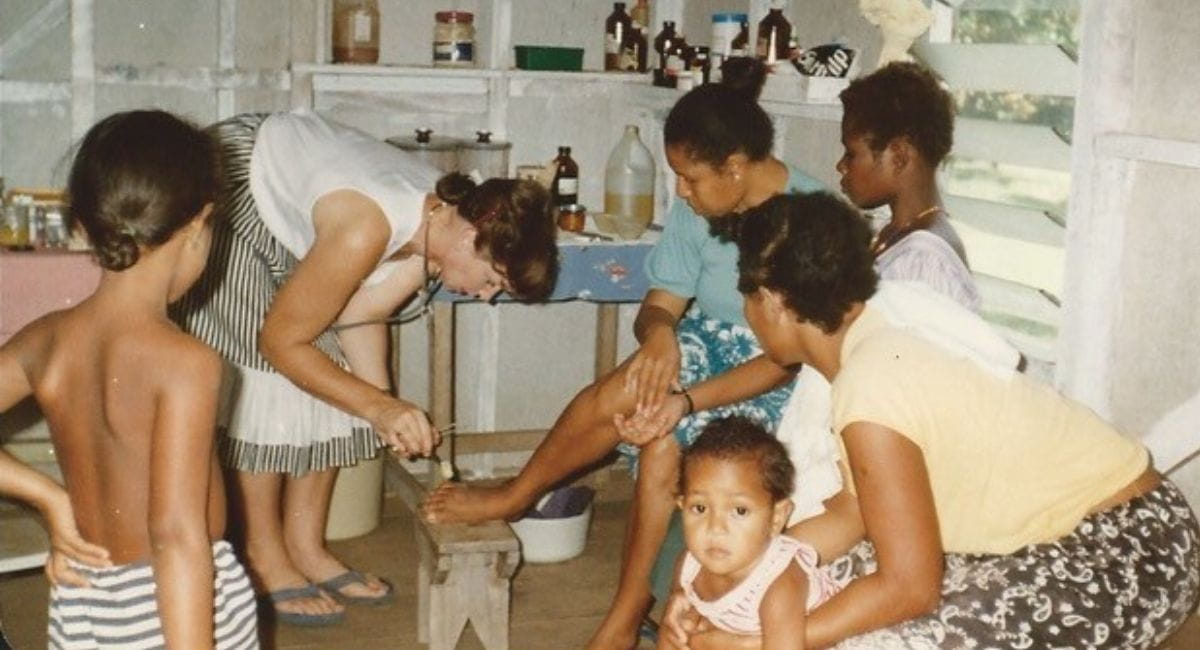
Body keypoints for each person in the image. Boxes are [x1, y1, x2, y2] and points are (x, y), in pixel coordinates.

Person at [662, 191, 1200, 649]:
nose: (749, 314)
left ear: (773, 300)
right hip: (1069, 532)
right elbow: (854, 511)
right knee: (817, 580)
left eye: (747, 297)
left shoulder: (870, 387)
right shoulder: (869, 348)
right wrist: (725, 579)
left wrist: (767, 641)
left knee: (884, 641)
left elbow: (909, 588)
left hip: (1130, 547)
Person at [423, 58, 824, 648]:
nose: (680, 193)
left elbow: (789, 359)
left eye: (690, 179)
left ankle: (625, 612)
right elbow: (659, 304)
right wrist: (660, 335)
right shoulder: (699, 210)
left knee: (662, 436)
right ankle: (514, 496)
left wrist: (684, 402)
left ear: (735, 168)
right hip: (702, 345)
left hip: (770, 374)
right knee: (629, 389)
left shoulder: (812, 218)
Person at [169, 108, 559, 625]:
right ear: (471, 240)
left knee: (335, 373)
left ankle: (305, 545)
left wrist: (383, 402)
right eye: (492, 282)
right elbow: (280, 343)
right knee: (269, 374)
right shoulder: (368, 227)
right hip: (237, 187)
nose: (486, 298)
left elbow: (359, 317)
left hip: (300, 199)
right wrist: (380, 408)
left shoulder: (438, 230)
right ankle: (264, 555)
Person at [0, 110, 260, 648]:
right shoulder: (186, 363)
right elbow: (177, 536)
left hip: (86, 597)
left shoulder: (45, 339)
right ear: (197, 225)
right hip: (183, 606)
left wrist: (48, 497)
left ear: (84, 223)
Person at [661, 416, 840, 650]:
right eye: (700, 508)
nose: (715, 528)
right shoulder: (688, 565)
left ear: (777, 517)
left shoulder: (779, 585)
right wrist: (674, 621)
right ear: (682, 506)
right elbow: (678, 607)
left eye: (740, 510)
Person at [838, 60, 979, 310]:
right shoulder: (896, 232)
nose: (841, 166)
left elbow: (908, 350)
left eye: (851, 154)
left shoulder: (925, 263)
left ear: (899, 156)